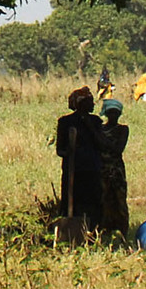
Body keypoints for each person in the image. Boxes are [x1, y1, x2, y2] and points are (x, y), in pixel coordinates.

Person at [55, 86, 104, 232]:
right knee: (72, 202)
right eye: (89, 101)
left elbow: (101, 144)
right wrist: (69, 151)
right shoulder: (65, 122)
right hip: (74, 170)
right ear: (80, 104)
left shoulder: (95, 122)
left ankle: (93, 232)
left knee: (93, 203)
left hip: (92, 168)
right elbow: (60, 150)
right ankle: (70, 233)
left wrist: (89, 126)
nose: (93, 104)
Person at [97, 98, 130, 238]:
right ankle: (105, 230)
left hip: (116, 170)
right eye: (111, 112)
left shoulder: (122, 129)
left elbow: (118, 149)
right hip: (102, 169)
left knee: (120, 200)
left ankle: (123, 231)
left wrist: (99, 137)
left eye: (116, 112)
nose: (113, 115)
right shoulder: (99, 129)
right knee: (104, 200)